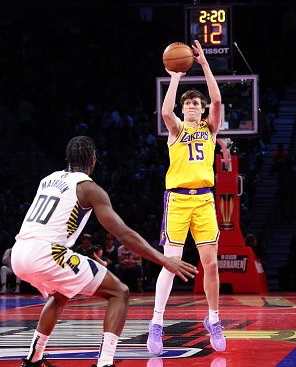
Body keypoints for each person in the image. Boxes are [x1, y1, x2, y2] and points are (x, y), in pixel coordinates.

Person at [11, 136, 197, 367]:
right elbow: (124, 234)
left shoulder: (47, 180)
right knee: (119, 292)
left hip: (18, 252)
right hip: (47, 253)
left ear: (68, 159)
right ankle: (105, 362)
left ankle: (34, 357)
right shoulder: (90, 189)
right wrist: (163, 260)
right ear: (93, 160)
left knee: (61, 294)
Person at [147, 40, 226, 355]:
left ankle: (214, 319)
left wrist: (204, 64)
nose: (193, 106)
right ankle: (156, 323)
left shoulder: (210, 130)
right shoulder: (177, 130)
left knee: (211, 264)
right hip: (178, 201)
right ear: (184, 110)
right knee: (171, 263)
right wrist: (176, 74)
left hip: (205, 200)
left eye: (197, 103)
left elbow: (218, 98)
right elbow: (165, 110)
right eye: (189, 104)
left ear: (202, 109)